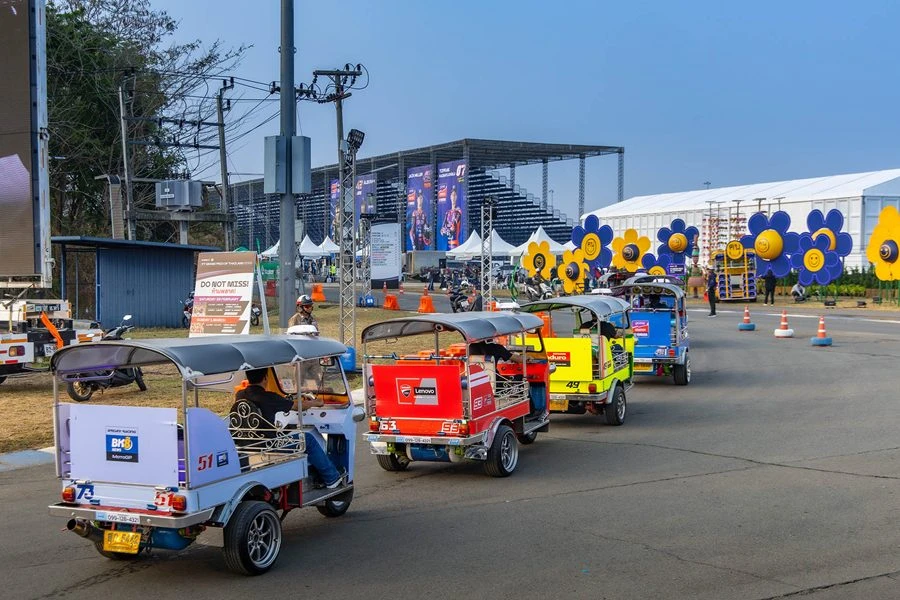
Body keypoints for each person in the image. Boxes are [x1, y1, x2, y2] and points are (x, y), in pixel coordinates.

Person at [235, 368, 344, 488]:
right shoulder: (268, 397)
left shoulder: (240, 395)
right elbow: (298, 406)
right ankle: (332, 478)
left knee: (288, 432)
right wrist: (316, 403)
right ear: (266, 378)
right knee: (307, 439)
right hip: (269, 445)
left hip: (245, 443)